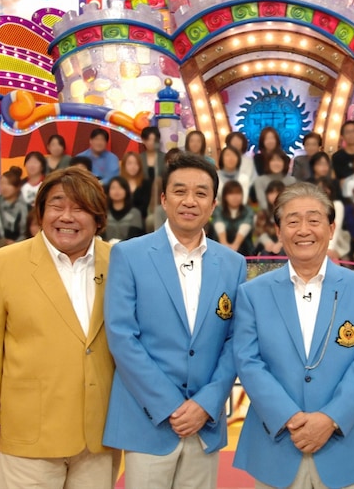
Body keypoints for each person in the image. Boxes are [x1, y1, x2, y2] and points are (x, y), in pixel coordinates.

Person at [0, 167, 119, 488]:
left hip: (100, 432)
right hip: (29, 430)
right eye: (57, 206)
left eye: (79, 208)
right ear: (41, 212)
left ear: (98, 218)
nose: (66, 216)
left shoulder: (120, 262)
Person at [233, 182, 354, 488]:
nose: (303, 230)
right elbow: (248, 362)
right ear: (278, 232)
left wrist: (330, 418)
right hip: (277, 445)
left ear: (331, 229)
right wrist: (289, 417)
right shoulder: (253, 293)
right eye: (292, 221)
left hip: (346, 447)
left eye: (314, 220)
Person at [103, 154, 246, 488]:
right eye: (180, 191)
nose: (190, 201)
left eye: (201, 193)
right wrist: (169, 406)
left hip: (205, 423)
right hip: (147, 420)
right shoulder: (129, 255)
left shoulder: (233, 263)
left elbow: (236, 340)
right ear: (164, 199)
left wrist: (205, 404)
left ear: (213, 204)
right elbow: (122, 337)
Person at [211, 180, 254, 256]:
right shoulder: (218, 210)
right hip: (220, 249)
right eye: (231, 194)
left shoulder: (248, 210)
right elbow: (219, 225)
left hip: (244, 250)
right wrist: (225, 245)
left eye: (238, 193)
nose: (235, 197)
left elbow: (245, 227)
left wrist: (235, 245)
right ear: (225, 196)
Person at [315, 177, 351, 260]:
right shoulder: (312, 206)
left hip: (336, 243)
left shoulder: (337, 205)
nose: (323, 191)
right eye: (320, 188)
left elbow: (336, 227)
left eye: (326, 188)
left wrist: (329, 248)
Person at [0, 167, 28, 244]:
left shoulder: (27, 209)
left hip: (23, 246)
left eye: (8, 184)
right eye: (2, 183)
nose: (4, 187)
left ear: (18, 187)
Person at [104, 177, 145, 242]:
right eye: (113, 188)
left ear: (126, 191)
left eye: (120, 187)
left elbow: (134, 238)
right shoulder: (103, 213)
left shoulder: (135, 213)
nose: (117, 191)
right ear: (108, 191)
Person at [253, 180, 286, 256]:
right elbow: (260, 232)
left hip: (285, 244)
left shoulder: (289, 212)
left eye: (277, 192)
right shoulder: (263, 213)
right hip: (267, 245)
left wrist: (280, 244)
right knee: (265, 253)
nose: (274, 195)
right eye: (271, 193)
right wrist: (268, 243)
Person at [121, 151, 153, 223]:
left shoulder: (146, 183)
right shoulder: (119, 183)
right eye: (130, 163)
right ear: (124, 165)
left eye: (136, 163)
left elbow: (144, 207)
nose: (133, 167)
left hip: (139, 219)